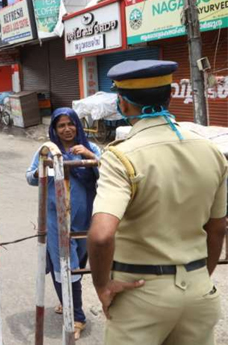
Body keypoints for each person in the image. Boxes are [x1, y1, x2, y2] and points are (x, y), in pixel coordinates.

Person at [88, 60, 227, 345]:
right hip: (199, 291)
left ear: (122, 104)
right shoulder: (210, 150)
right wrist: (200, 277)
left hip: (139, 294)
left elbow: (101, 235)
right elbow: (217, 228)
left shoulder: (121, 157)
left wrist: (102, 286)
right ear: (170, 96)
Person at [26, 107, 102, 340]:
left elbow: (109, 171)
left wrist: (90, 158)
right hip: (55, 221)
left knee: (77, 265)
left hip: (84, 221)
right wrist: (46, 167)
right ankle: (77, 317)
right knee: (62, 266)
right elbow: (29, 177)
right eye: (61, 125)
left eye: (71, 124)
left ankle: (66, 301)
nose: (67, 129)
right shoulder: (46, 150)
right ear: (55, 129)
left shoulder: (92, 148)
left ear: (77, 125)